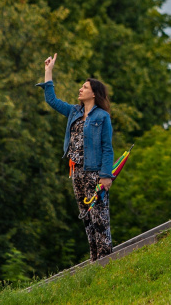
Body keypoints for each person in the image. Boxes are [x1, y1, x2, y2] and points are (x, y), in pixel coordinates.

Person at [36, 53, 115, 261]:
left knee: (100, 215)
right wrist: (48, 71)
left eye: (85, 87)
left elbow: (107, 147)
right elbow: (51, 100)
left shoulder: (102, 116)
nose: (80, 89)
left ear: (94, 94)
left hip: (95, 172)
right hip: (76, 172)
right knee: (86, 216)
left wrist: (106, 176)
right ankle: (95, 258)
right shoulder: (74, 112)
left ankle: (107, 257)